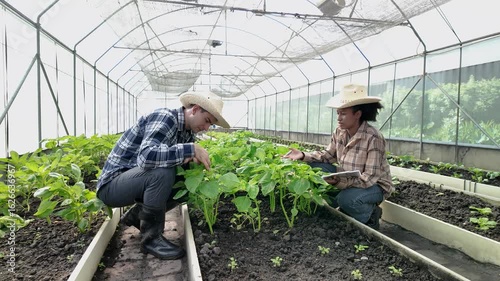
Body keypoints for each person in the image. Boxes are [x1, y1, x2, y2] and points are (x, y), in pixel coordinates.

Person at [96, 91, 230, 260]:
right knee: (161, 171)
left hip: (134, 181)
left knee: (186, 181)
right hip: (112, 185)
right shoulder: (165, 117)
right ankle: (151, 239)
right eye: (207, 121)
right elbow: (147, 157)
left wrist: (191, 163)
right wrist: (190, 149)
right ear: (195, 109)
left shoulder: (186, 133)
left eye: (210, 125)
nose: (206, 128)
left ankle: (137, 217)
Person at [283, 84, 393, 230]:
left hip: (375, 186)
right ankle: (343, 205)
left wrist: (340, 183)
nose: (339, 118)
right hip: (349, 179)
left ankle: (370, 215)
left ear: (358, 114)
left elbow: (369, 178)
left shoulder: (373, 138)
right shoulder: (340, 132)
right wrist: (303, 156)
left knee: (346, 200)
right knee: (315, 169)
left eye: (343, 113)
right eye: (338, 113)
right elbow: (327, 157)